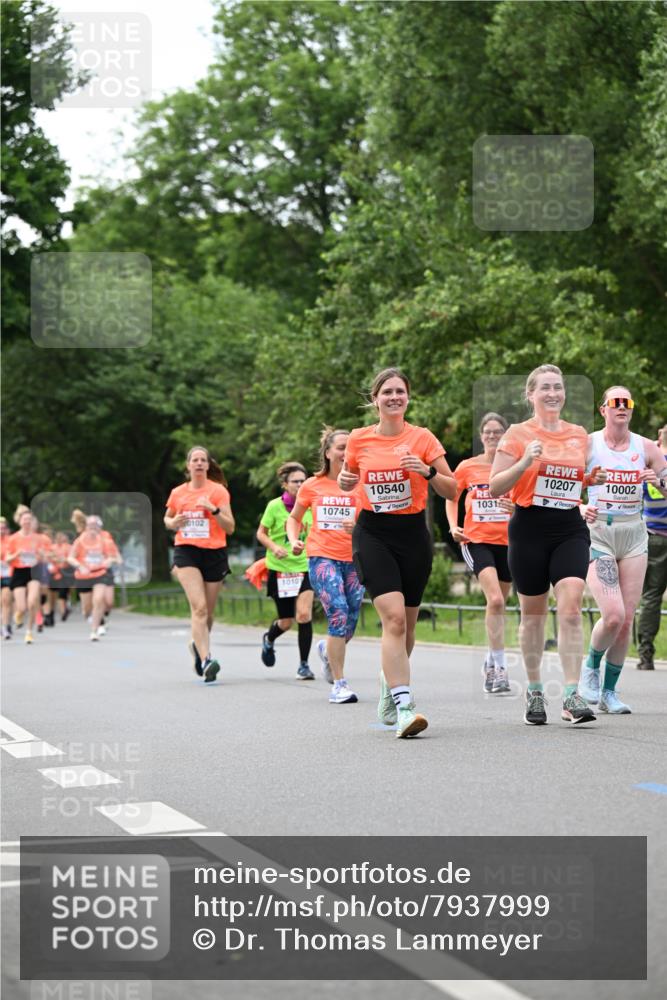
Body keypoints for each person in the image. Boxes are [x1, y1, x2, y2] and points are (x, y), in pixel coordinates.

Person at [338, 367, 457, 738]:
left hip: (412, 534)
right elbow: (348, 477)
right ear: (375, 399)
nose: (393, 397)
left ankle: (390, 684)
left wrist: (425, 472)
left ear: (407, 397)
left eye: (400, 392)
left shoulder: (422, 438)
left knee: (406, 626)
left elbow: (452, 490)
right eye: (386, 391)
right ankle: (406, 708)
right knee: (394, 621)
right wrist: (345, 480)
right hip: (372, 533)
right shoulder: (358, 440)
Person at [490, 364, 605, 726]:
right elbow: (495, 486)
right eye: (545, 388)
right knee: (533, 616)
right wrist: (525, 461)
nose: (553, 393)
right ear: (531, 395)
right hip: (529, 528)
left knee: (570, 607)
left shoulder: (578, 434)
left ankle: (572, 695)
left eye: (558, 387)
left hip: (569, 526)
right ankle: (536, 690)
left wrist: (588, 479)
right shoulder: (517, 433)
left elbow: (570, 479)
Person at [579, 392, 667, 711]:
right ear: (602, 409)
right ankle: (590, 668)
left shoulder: (646, 447)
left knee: (627, 618)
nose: (621, 408)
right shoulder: (588, 444)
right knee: (612, 615)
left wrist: (658, 480)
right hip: (599, 532)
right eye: (615, 403)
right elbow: (559, 485)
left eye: (626, 403)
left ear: (631, 410)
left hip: (633, 534)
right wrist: (581, 506)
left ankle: (609, 692)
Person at [286, 428, 364, 704]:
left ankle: (326, 649)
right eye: (341, 447)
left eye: (350, 447)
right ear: (328, 453)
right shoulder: (312, 485)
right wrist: (294, 539)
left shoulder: (361, 484)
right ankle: (339, 684)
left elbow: (374, 523)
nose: (346, 453)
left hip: (354, 559)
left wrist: (359, 528)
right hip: (322, 557)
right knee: (339, 612)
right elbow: (294, 518)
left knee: (351, 620)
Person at [446, 412, 513, 694]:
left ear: (506, 436)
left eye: (498, 432)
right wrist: (453, 526)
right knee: (495, 599)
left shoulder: (514, 466)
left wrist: (517, 510)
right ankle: (498, 668)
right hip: (477, 540)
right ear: (481, 436)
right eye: (487, 432)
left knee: (499, 604)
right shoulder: (468, 467)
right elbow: (451, 496)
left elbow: (525, 498)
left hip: (510, 542)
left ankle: (490, 657)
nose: (492, 436)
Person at [164, 446, 234, 682]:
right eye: (195, 460)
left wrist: (213, 510)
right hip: (187, 551)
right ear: (188, 465)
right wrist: (173, 521)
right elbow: (167, 518)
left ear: (207, 465)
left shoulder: (218, 492)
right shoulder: (178, 493)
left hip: (214, 552)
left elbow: (230, 527)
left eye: (203, 460)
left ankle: (197, 645)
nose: (199, 463)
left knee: (209, 614)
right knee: (200, 608)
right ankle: (206, 659)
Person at [257, 462, 315, 680]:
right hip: (280, 569)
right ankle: (269, 639)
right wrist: (274, 547)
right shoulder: (274, 507)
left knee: (304, 614)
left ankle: (304, 665)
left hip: (305, 567)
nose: (300, 485)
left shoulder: (311, 505)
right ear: (285, 484)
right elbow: (261, 533)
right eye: (295, 481)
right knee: (286, 621)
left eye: (303, 481)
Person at [636, 422, 667, 671]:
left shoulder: (645, 458)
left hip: (654, 534)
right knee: (651, 597)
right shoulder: (648, 459)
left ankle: (645, 654)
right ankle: (645, 653)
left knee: (651, 597)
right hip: (656, 535)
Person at [68, 516, 122, 641]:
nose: (92, 529)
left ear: (99, 528)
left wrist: (110, 560)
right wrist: (80, 566)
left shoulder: (105, 541)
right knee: (87, 608)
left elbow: (114, 556)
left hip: (100, 574)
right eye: (90, 526)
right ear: (86, 528)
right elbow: (70, 557)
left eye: (95, 526)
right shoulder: (80, 541)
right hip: (83, 575)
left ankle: (94, 631)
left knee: (99, 600)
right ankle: (90, 616)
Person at [6, 509, 50, 644]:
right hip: (19, 572)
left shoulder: (39, 538)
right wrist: (17, 554)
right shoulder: (13, 539)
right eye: (24, 519)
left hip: (33, 571)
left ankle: (29, 631)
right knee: (21, 607)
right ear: (19, 521)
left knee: (32, 602)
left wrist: (42, 555)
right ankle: (18, 614)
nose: (27, 522)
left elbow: (46, 558)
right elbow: (7, 559)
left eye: (29, 520)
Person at [1, 518, 14, 639]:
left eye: (3, 528)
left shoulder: (11, 541)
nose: (1, 530)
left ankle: (5, 627)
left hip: (6, 574)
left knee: (6, 600)